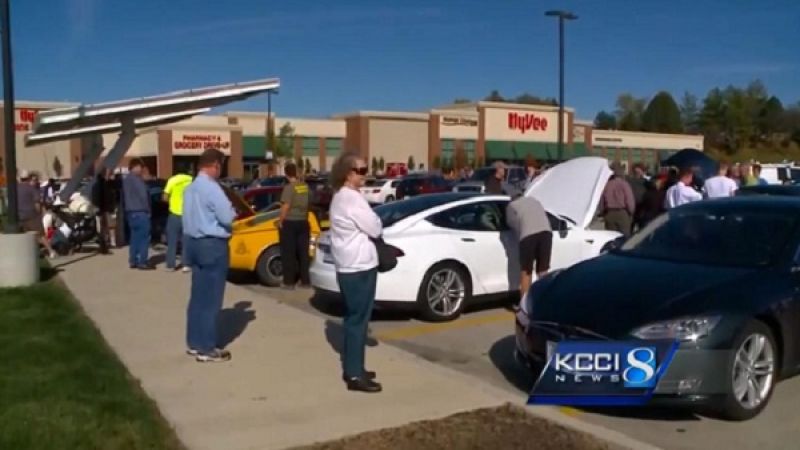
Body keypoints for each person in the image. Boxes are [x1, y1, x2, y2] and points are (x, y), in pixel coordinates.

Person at [329, 151, 383, 393]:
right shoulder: (352, 199)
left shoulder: (341, 197)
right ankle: (354, 374)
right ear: (348, 174)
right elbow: (374, 227)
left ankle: (356, 366)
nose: (365, 175)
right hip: (358, 267)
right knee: (357, 320)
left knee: (356, 318)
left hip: (349, 264)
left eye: (365, 169)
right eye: (361, 171)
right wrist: (375, 219)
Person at [182, 149, 236, 363]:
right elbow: (227, 217)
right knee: (211, 300)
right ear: (215, 165)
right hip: (213, 244)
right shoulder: (212, 189)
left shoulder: (190, 188)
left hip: (192, 243)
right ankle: (207, 347)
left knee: (197, 297)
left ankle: (194, 342)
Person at [506, 193, 552, 299]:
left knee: (526, 271)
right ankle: (543, 300)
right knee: (543, 270)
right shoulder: (534, 201)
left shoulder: (512, 206)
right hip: (546, 233)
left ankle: (524, 303)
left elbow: (511, 224)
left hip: (528, 236)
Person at [278, 163, 311, 289]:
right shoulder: (305, 187)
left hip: (290, 222)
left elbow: (285, 206)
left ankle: (289, 282)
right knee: (303, 253)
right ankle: (305, 281)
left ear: (286, 174)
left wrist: (281, 220)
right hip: (303, 222)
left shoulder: (289, 188)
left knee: (289, 253)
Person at [17, 170, 57, 258]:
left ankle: (29, 254)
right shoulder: (32, 188)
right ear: (28, 178)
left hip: (20, 216)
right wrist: (39, 213)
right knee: (41, 235)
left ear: (20, 178)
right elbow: (37, 203)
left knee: (25, 236)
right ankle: (51, 251)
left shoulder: (15, 188)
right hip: (32, 214)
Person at [122, 159, 154, 270]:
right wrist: (148, 210)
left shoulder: (126, 180)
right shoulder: (137, 180)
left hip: (130, 213)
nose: (142, 169)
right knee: (144, 238)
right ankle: (142, 262)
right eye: (140, 167)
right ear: (135, 167)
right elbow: (143, 196)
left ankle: (133, 260)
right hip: (141, 212)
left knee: (134, 237)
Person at [163, 170, 193, 272]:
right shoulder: (191, 181)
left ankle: (171, 265)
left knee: (172, 241)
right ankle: (186, 264)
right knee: (186, 240)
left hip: (174, 214)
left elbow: (165, 197)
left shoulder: (172, 180)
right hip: (187, 215)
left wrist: (172, 201)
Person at [600, 164, 636, 237]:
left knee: (610, 237)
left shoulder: (607, 185)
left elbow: (601, 201)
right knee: (624, 237)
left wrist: (603, 212)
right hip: (622, 213)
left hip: (609, 213)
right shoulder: (624, 184)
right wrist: (631, 212)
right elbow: (629, 200)